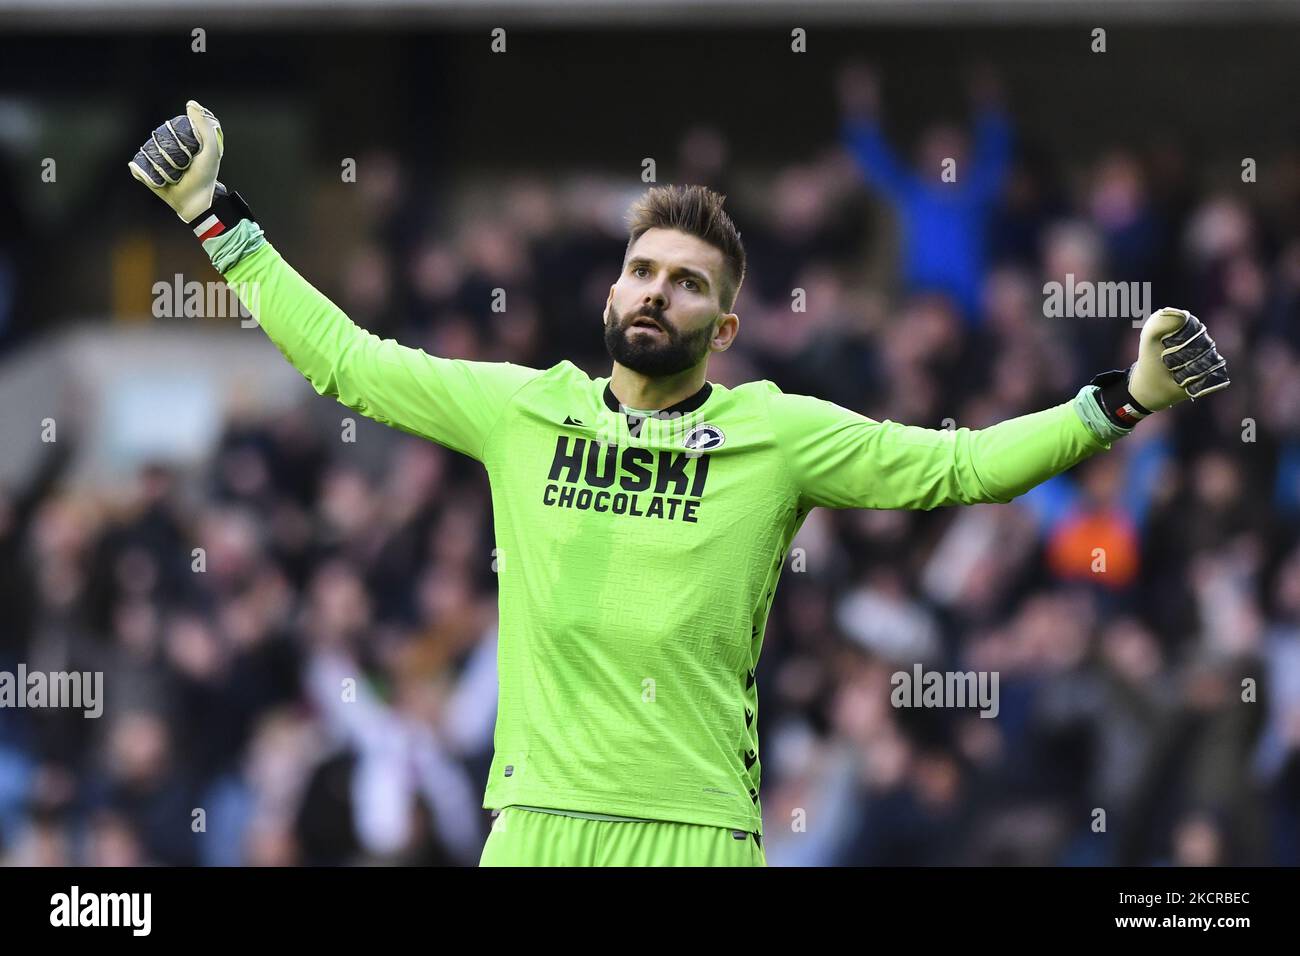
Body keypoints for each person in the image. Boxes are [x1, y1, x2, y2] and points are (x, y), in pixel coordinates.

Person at [128, 102, 1230, 867]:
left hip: (694, 829)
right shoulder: (522, 409)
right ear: (612, 292)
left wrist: (1116, 399)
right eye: (643, 270)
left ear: (725, 324)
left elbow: (957, 468)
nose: (658, 291)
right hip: (537, 823)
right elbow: (348, 361)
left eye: (688, 283)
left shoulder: (777, 434)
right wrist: (218, 219)